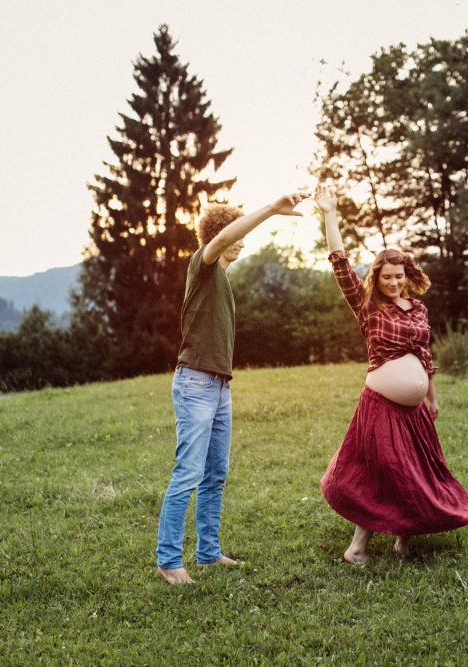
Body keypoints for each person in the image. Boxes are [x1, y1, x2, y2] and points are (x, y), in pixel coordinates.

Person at [314, 184, 468, 564]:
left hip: (415, 408)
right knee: (379, 472)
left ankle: (404, 538)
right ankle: (357, 549)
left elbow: (424, 352)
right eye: (387, 276)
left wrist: (431, 395)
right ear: (377, 277)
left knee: (413, 471)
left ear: (407, 275)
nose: (394, 282)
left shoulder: (418, 308)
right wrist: (330, 213)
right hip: (381, 405)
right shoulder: (368, 306)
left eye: (399, 276)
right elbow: (339, 262)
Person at [156, 192, 309, 585]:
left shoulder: (221, 278)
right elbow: (222, 241)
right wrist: (273, 209)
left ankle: (208, 553)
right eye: (236, 232)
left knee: (215, 474)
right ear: (219, 235)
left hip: (219, 386)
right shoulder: (203, 266)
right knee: (187, 473)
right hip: (196, 383)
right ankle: (169, 560)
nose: (244, 240)